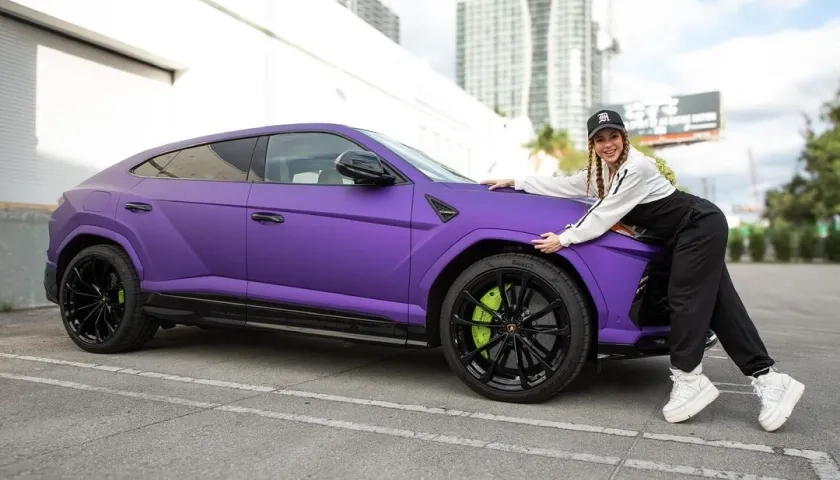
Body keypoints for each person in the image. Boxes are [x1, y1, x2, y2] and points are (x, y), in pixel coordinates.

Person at [481, 109, 805, 432]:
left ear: (624, 138)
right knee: (721, 307)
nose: (608, 144)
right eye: (600, 139)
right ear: (592, 145)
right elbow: (566, 185)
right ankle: (770, 379)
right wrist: (516, 181)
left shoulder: (635, 167)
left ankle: (689, 379)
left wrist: (563, 239)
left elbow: (604, 214)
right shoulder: (603, 173)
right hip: (685, 233)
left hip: (698, 225)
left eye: (614, 137)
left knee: (685, 299)